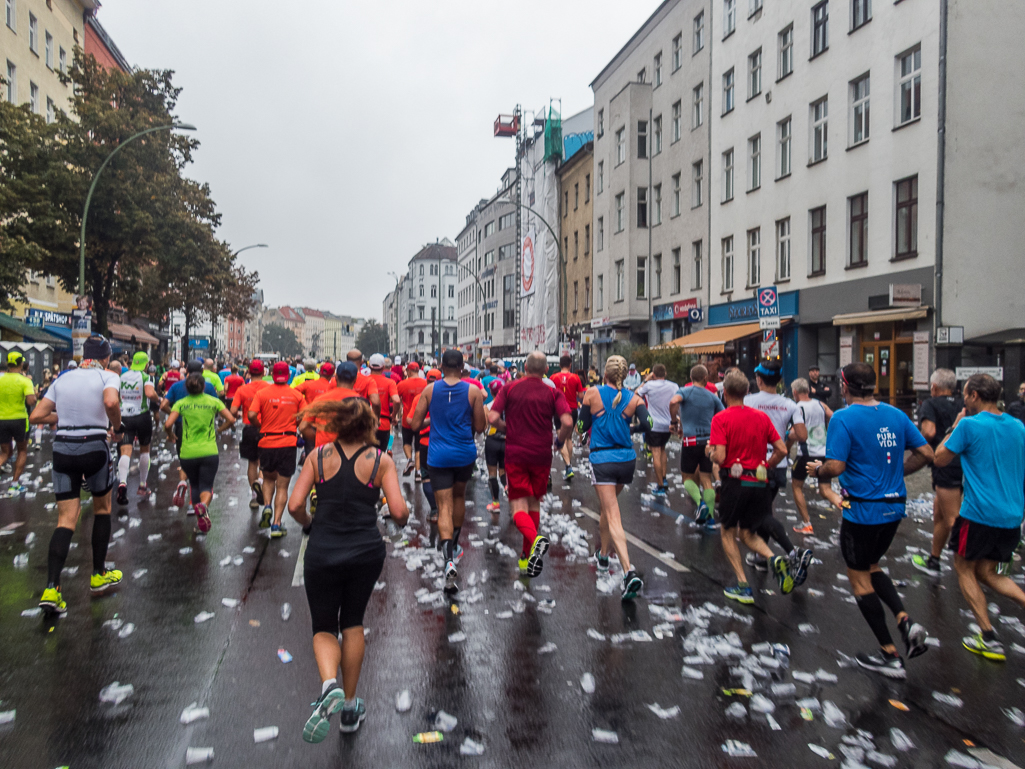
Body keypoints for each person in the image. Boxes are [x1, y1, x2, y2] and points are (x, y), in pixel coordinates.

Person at [288, 396, 408, 741]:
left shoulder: (318, 457)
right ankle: (351, 707)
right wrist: (399, 517)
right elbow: (399, 512)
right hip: (365, 552)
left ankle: (329, 685)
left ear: (336, 424)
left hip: (322, 549)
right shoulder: (380, 461)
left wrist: (310, 524)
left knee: (324, 625)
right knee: (353, 621)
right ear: (369, 423)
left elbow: (295, 505)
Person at [811, 362, 932, 679]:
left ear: (844, 385)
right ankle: (905, 620)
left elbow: (835, 466)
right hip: (894, 509)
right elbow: (926, 453)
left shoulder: (843, 417)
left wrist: (817, 471)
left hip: (862, 510)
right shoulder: (895, 414)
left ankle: (889, 654)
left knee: (859, 579)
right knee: (872, 565)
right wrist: (897, 474)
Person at [932, 374, 1025, 661]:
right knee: (988, 572)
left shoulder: (969, 425)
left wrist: (957, 424)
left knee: (963, 567)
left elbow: (939, 458)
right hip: (1011, 515)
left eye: (966, 394)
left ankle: (988, 636)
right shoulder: (1017, 425)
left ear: (973, 396)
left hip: (979, 514)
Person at [30, 335, 123, 615]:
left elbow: (36, 416)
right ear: (106, 358)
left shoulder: (63, 379)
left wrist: (64, 418)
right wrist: (116, 425)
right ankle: (98, 574)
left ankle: (51, 588)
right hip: (94, 446)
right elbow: (109, 403)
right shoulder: (108, 376)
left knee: (65, 520)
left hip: (63, 449)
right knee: (102, 508)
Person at [709, 369, 792, 604]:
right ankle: (774, 558)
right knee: (747, 531)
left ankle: (743, 585)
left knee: (727, 531)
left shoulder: (721, 418)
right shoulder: (760, 417)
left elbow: (721, 456)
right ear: (747, 391)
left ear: (724, 393)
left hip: (735, 482)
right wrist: (766, 464)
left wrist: (711, 453)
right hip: (760, 482)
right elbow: (783, 449)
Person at [488, 351, 573, 578]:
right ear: (547, 370)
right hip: (542, 454)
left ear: (525, 367)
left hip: (516, 452)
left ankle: (536, 540)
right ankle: (526, 560)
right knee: (534, 503)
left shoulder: (510, 388)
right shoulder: (552, 392)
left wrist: (509, 429)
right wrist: (560, 440)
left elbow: (492, 418)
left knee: (518, 507)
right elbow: (567, 421)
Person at [409, 349, 486, 593]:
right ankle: (454, 543)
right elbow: (481, 427)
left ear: (441, 366)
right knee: (459, 497)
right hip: (464, 453)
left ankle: (448, 558)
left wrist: (434, 420)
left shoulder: (430, 390)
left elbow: (413, 424)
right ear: (463, 368)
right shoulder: (473, 391)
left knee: (443, 506)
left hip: (438, 455)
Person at [579, 355, 651, 601]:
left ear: (604, 375)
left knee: (613, 515)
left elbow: (581, 426)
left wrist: (587, 427)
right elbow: (649, 424)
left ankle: (628, 571)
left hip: (602, 459)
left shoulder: (592, 393)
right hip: (626, 461)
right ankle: (602, 556)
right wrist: (630, 427)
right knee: (606, 510)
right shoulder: (634, 398)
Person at [744, 362, 814, 587]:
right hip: (778, 463)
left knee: (758, 515)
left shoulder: (749, 401)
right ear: (780, 381)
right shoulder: (789, 405)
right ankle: (762, 558)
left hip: (753, 463)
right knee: (764, 510)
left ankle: (793, 553)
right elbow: (802, 435)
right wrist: (784, 435)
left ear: (759, 380)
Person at [165, 372, 235, 532]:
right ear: (203, 387)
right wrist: (219, 430)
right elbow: (231, 419)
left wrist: (171, 435)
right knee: (207, 485)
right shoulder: (214, 402)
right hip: (209, 451)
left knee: (195, 485)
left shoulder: (181, 403)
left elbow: (168, 424)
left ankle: (199, 520)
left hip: (188, 452)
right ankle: (204, 506)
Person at [912, 368, 964, 576]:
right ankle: (934, 559)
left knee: (953, 519)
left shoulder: (930, 404)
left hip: (946, 464)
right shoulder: (964, 404)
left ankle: (973, 565)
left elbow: (929, 431)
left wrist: (914, 444)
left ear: (933, 388)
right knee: (939, 514)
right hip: (965, 464)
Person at [248, 361, 305, 538]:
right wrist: (294, 426)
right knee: (282, 486)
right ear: (288, 376)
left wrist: (261, 424)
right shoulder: (296, 395)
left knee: (268, 479)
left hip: (267, 441)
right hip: (287, 442)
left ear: (272, 375)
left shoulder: (262, 393)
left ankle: (266, 506)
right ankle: (277, 524)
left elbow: (250, 414)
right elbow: (304, 417)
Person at [161, 360, 220, 509]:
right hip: (205, 431)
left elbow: (163, 405)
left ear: (186, 370)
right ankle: (196, 504)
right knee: (204, 473)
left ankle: (182, 482)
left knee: (186, 459)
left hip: (182, 427)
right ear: (202, 371)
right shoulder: (207, 387)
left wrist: (176, 413)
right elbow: (218, 409)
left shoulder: (176, 386)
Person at [669, 364, 724, 524]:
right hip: (708, 442)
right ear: (706, 379)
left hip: (690, 441)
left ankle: (701, 504)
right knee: (707, 479)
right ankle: (711, 518)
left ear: (691, 378)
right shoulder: (712, 396)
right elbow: (721, 415)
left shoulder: (685, 391)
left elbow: (673, 401)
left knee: (687, 478)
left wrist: (674, 422)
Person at [789, 378, 842, 534]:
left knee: (796, 486)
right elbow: (833, 417)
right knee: (826, 490)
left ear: (795, 393)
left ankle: (806, 523)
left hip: (806, 454)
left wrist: (787, 436)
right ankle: (848, 508)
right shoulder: (820, 404)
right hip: (823, 452)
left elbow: (796, 433)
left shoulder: (797, 407)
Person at [115, 351, 158, 504]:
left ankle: (122, 482)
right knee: (144, 449)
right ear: (146, 365)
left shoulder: (122, 377)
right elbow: (149, 392)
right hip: (142, 416)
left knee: (125, 450)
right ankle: (142, 485)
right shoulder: (146, 377)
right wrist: (157, 398)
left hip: (125, 416)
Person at [231, 360, 271, 509]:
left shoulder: (242, 389)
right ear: (263, 373)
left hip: (249, 427)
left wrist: (242, 414)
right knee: (264, 461)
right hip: (265, 428)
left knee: (252, 462)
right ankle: (260, 481)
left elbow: (233, 411)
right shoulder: (269, 388)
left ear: (249, 372)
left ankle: (254, 496)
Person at [636, 363, 678, 496]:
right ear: (665, 374)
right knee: (662, 450)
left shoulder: (649, 386)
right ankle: (664, 478)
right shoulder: (673, 386)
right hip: (668, 424)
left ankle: (660, 485)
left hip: (653, 424)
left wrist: (645, 380)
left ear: (653, 375)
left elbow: (636, 393)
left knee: (655, 453)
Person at [0, 351, 37, 494]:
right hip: (20, 420)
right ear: (21, 363)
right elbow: (31, 401)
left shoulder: (1, 379)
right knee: (22, 450)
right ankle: (14, 484)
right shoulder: (25, 381)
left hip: (1, 419)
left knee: (4, 453)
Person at [549, 355, 586, 480]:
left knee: (561, 437)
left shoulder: (553, 377)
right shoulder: (575, 378)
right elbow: (581, 395)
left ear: (560, 365)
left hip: (558, 410)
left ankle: (568, 465)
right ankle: (568, 465)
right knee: (569, 438)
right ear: (570, 365)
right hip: (572, 410)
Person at [482, 380, 507, 529]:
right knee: (503, 471)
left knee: (492, 473)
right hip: (506, 441)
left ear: (491, 392)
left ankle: (495, 503)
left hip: (491, 441)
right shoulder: (509, 406)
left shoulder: (488, 407)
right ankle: (508, 489)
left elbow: (485, 426)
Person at [396, 362, 427, 480]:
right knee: (418, 446)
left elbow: (396, 400)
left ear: (409, 372)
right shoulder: (425, 384)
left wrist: (395, 415)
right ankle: (418, 473)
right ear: (418, 371)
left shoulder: (402, 384)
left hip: (407, 419)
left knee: (407, 443)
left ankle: (409, 459)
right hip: (421, 420)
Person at [367, 354, 400, 451]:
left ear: (369, 366)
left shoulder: (364, 381)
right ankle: (388, 450)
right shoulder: (390, 382)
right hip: (383, 423)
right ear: (383, 367)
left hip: (365, 423)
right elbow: (397, 400)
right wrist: (393, 415)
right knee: (380, 455)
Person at [345, 349, 381, 416]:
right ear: (362, 362)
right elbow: (375, 402)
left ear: (347, 361)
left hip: (343, 419)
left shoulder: (335, 380)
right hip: (362, 418)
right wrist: (376, 418)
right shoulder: (369, 381)